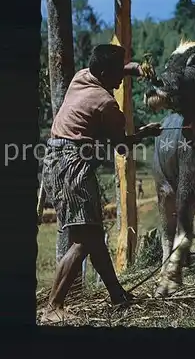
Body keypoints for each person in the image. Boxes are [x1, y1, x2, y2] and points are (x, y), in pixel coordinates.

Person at [41, 44, 161, 324]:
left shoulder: (82, 76)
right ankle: (53, 307)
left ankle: (117, 295)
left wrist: (137, 69)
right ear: (106, 73)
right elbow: (120, 147)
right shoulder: (107, 103)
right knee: (83, 241)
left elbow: (118, 70)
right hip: (72, 165)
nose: (121, 80)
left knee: (92, 236)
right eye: (118, 75)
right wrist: (145, 132)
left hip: (55, 159)